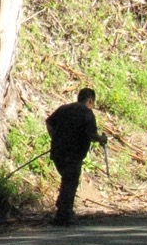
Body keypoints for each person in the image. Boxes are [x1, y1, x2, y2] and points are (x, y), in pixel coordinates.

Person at [45, 87, 108, 226]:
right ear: (90, 100)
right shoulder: (87, 113)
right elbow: (92, 135)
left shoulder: (64, 109)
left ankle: (62, 208)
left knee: (67, 179)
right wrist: (102, 139)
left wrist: (54, 137)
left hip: (58, 152)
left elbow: (49, 122)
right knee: (70, 181)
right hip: (73, 153)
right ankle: (64, 215)